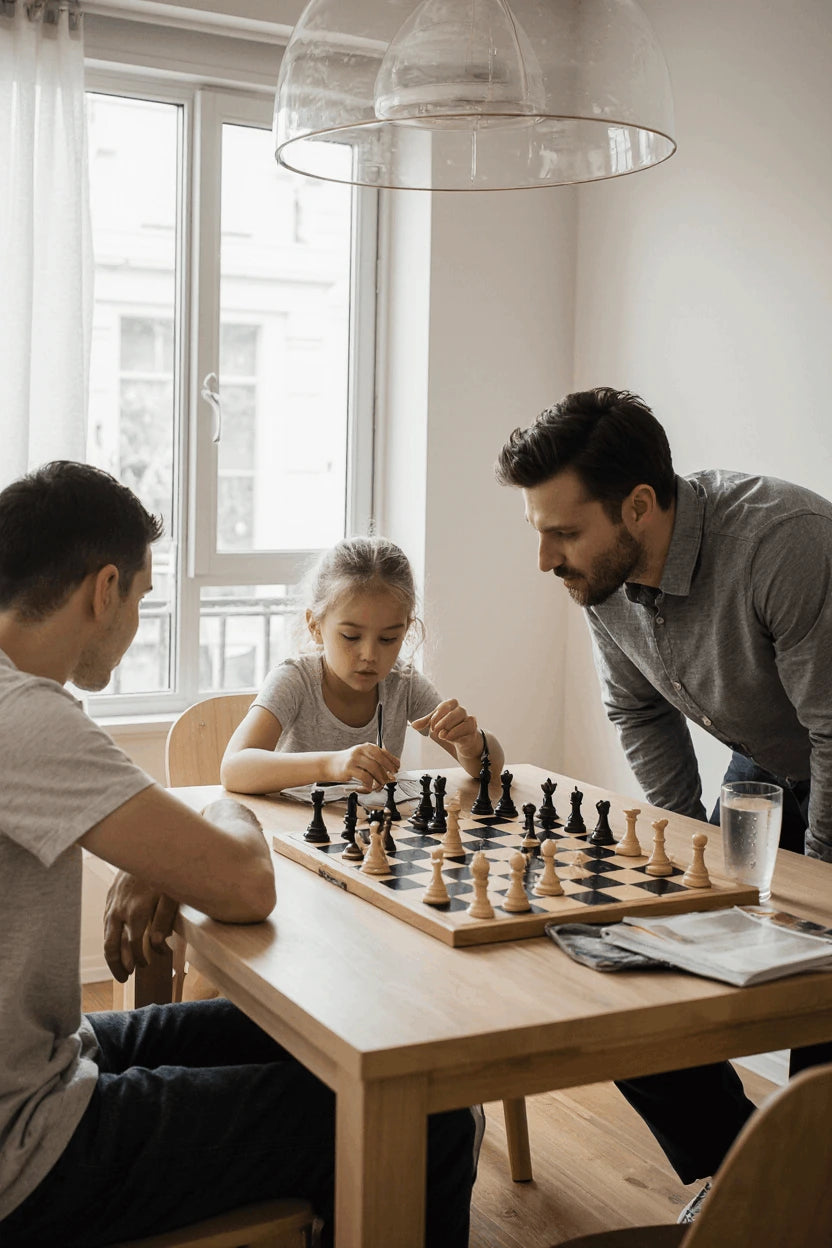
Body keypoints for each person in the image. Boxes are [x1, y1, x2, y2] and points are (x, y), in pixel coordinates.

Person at [0, 462, 475, 1248]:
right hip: (29, 1145)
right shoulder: (27, 717)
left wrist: (162, 854)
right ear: (105, 589)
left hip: (51, 1057)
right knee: (431, 1119)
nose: (137, 620)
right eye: (144, 598)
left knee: (354, 1041)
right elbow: (247, 884)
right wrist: (219, 812)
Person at [495, 385, 832, 1219]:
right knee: (632, 982)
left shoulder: (783, 543)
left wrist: (816, 892)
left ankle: (807, 1195)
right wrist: (683, 857)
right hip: (770, 767)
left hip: (826, 749)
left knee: (818, 991)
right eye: (538, 531)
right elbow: (639, 710)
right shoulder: (600, 575)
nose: (544, 559)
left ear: (639, 506)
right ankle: (749, 1180)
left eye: (563, 532)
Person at [221, 535, 504, 795]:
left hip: (372, 831)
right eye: (351, 636)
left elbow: (490, 771)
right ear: (315, 626)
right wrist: (331, 764)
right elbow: (233, 769)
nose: (369, 655)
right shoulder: (294, 680)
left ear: (406, 630)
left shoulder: (403, 684)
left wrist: (471, 744)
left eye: (388, 639)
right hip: (294, 829)